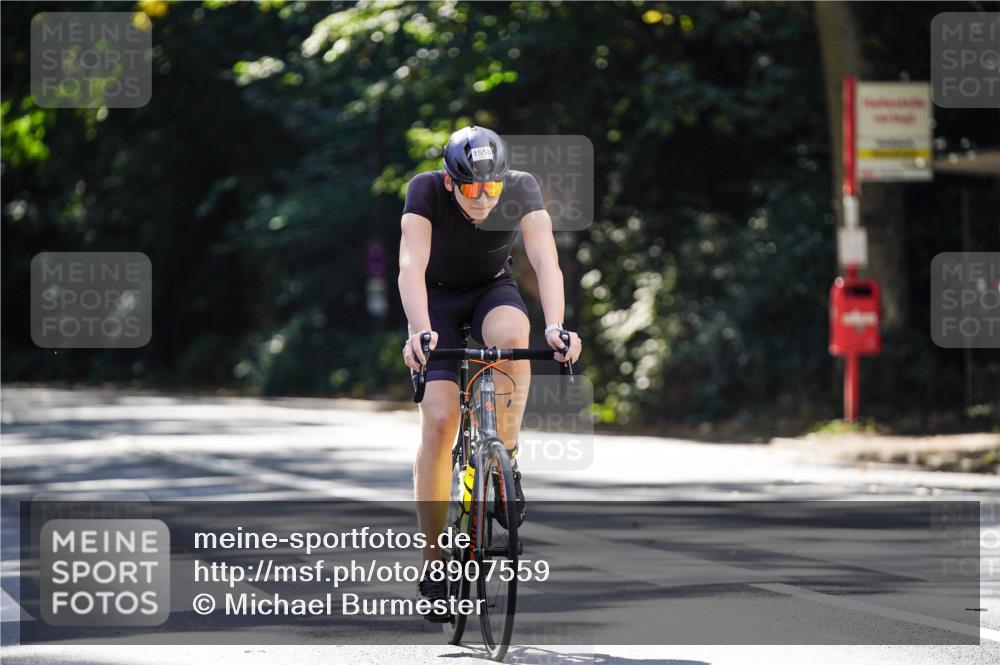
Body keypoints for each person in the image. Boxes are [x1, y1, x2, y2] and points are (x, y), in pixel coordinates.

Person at [398, 126, 582, 621]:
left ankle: (506, 457)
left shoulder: (521, 186)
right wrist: (418, 331)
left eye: (492, 187)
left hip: (488, 290)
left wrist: (557, 326)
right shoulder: (424, 190)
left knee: (512, 340)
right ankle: (435, 562)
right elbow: (411, 264)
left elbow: (546, 259)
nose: (483, 198)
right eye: (472, 187)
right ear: (450, 180)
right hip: (434, 300)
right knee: (439, 422)